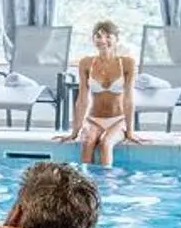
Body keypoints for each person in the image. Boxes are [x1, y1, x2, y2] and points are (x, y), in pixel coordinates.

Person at [60, 20, 143, 167]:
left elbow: (128, 100)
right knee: (87, 142)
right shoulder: (86, 63)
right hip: (93, 119)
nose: (102, 40)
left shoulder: (127, 63)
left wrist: (130, 131)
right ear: (93, 40)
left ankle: (107, 186)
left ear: (116, 39)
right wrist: (75, 131)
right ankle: (83, 185)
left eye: (108, 36)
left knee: (105, 143)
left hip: (117, 120)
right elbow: (82, 100)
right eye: (98, 36)